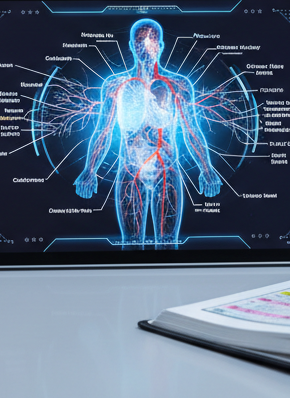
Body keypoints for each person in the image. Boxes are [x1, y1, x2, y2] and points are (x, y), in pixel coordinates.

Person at [74, 19, 221, 248]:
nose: (146, 45)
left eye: (152, 39)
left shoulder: (178, 85)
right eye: (140, 41)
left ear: (161, 46)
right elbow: (102, 130)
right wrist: (89, 170)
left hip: (167, 170)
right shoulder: (115, 85)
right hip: (129, 170)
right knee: (131, 244)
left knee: (168, 244)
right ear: (131, 46)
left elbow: (192, 129)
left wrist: (206, 168)